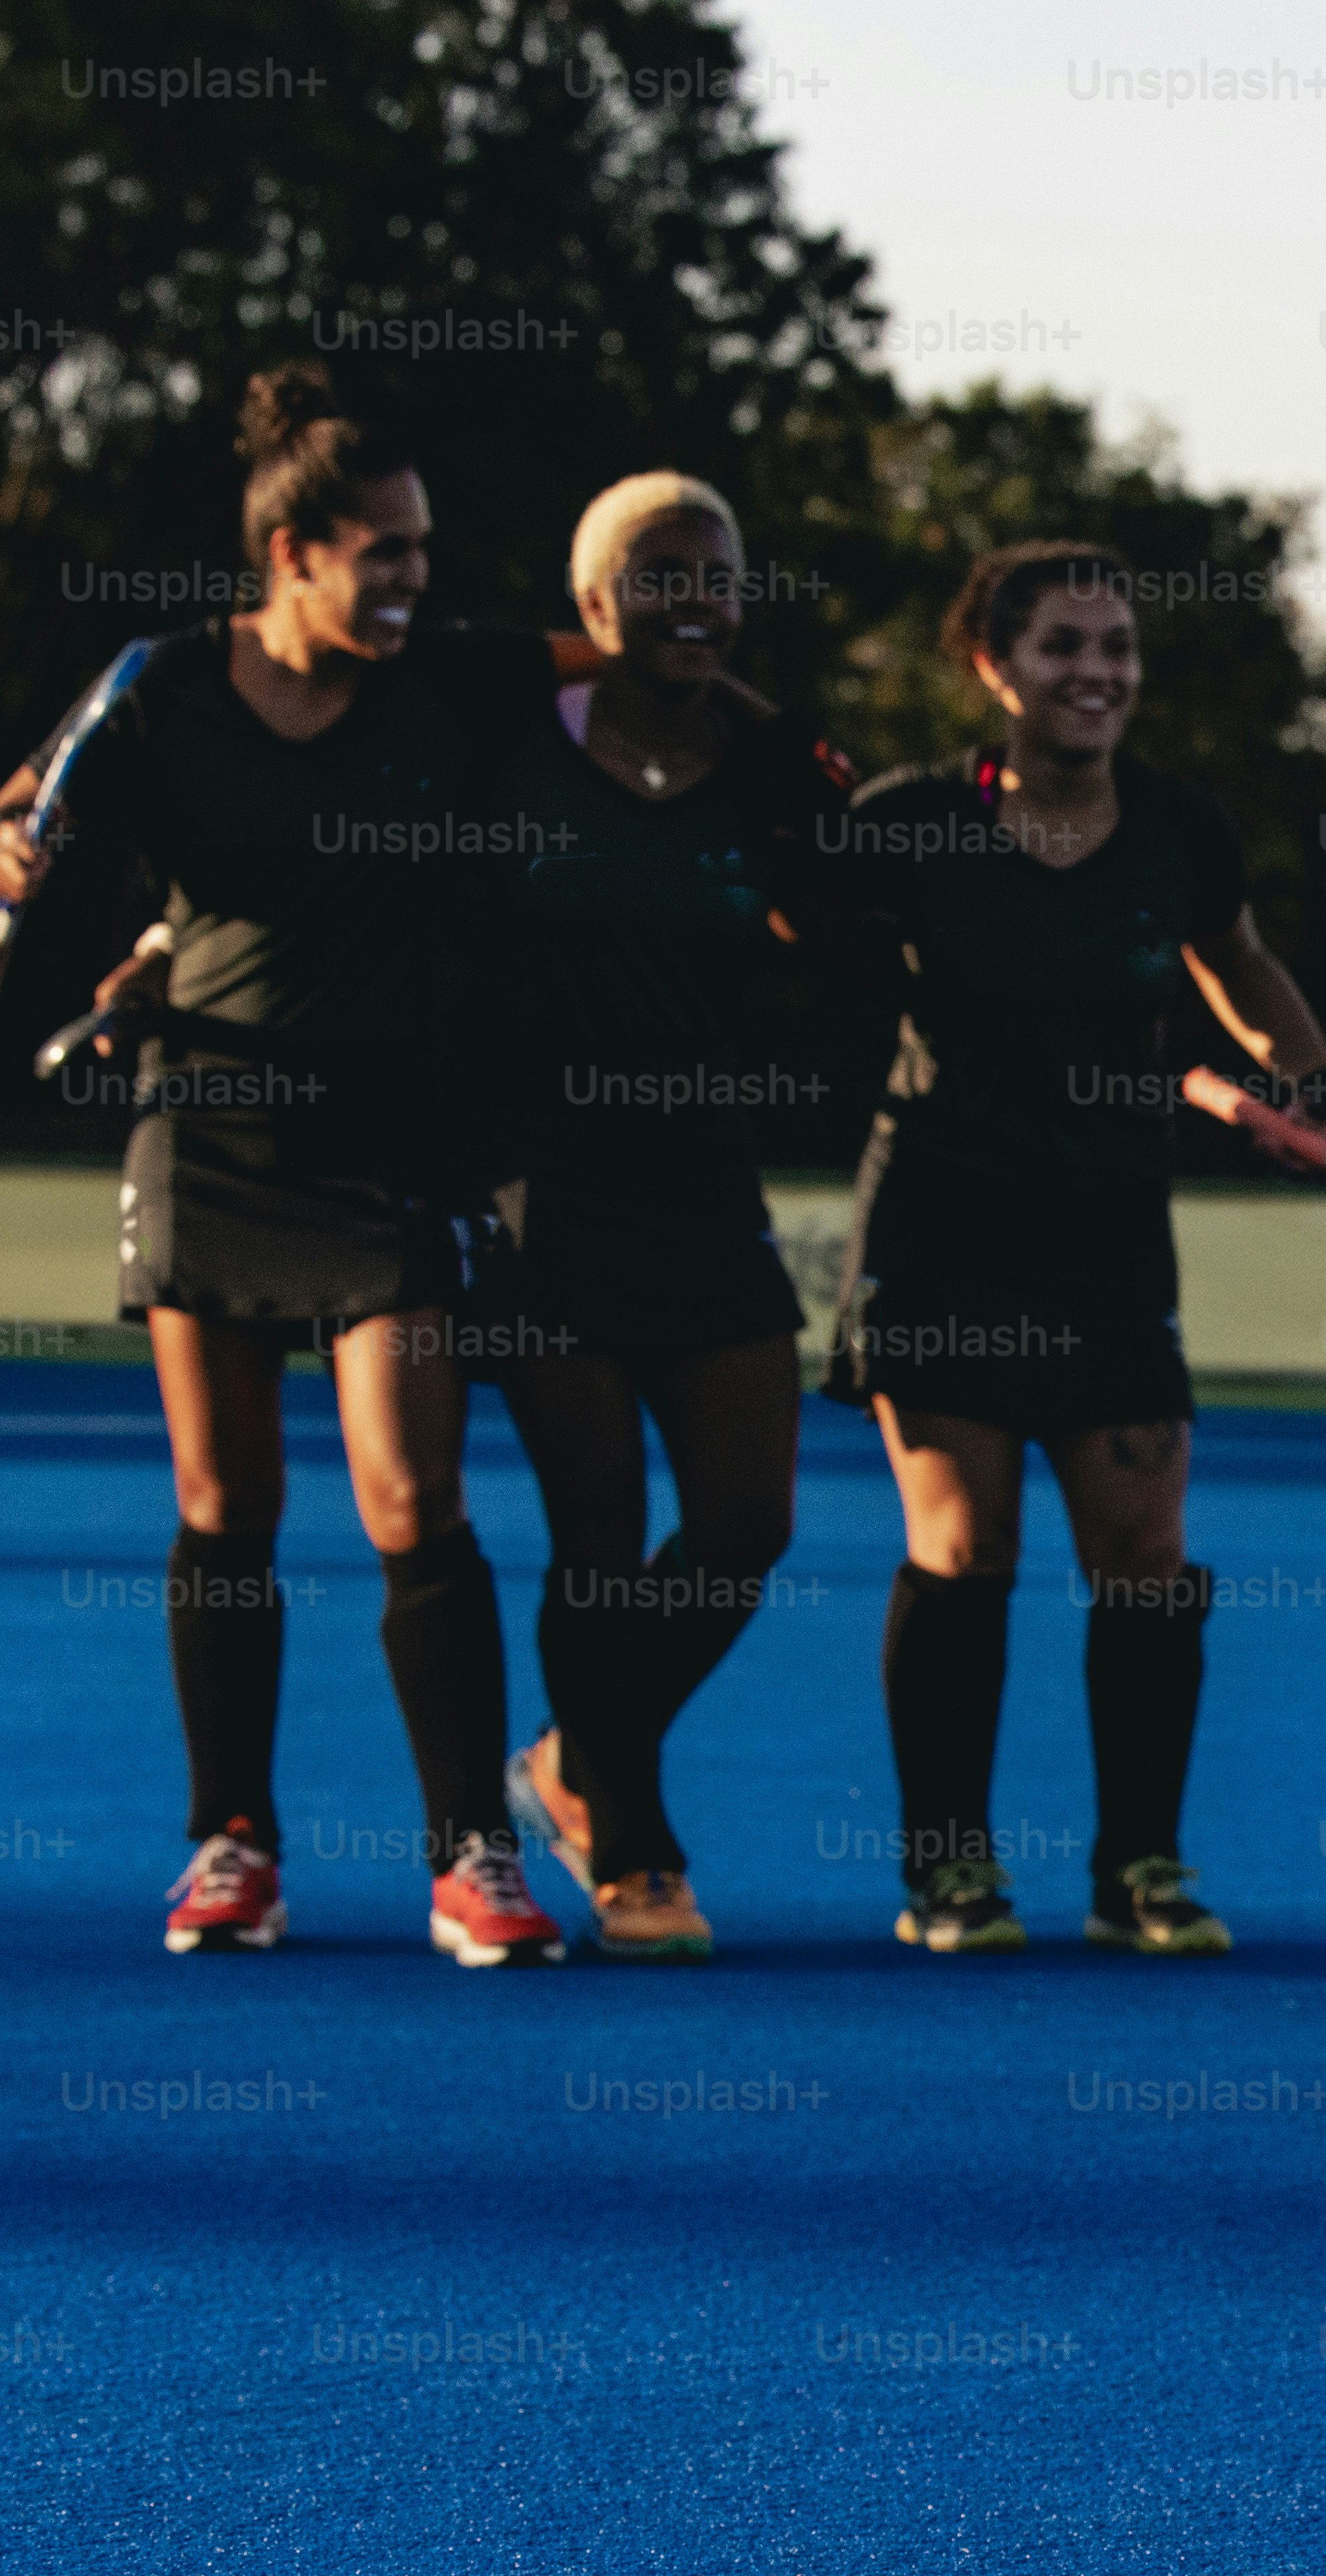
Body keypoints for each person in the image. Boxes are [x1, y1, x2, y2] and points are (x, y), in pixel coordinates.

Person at [0, 368, 573, 1964]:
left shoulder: (457, 682)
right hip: (207, 1128)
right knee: (225, 1500)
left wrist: (759, 715)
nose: (414, 579)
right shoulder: (159, 687)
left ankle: (471, 1855)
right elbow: (13, 818)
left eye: (424, 550)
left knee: (410, 1492)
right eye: (384, 551)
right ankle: (232, 1843)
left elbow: (644, 659)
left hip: (391, 1148)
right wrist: (10, 854)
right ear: (292, 551)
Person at [817, 541, 1326, 1958]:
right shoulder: (908, 819)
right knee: (964, 1546)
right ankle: (950, 1872)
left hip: (1107, 1233)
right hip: (942, 1219)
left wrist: (1301, 1084)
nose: (1096, 672)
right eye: (1063, 645)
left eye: (1117, 645)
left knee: (1147, 1556)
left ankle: (1140, 1870)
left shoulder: (1177, 828)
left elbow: (1239, 967)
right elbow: (786, 942)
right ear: (994, 665)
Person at [460, 470, 858, 1962]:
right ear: (590, 603)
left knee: (748, 1519)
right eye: (661, 574)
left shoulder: (771, 776)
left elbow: (866, 924)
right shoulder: (505, 744)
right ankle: (633, 1846)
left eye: (720, 576)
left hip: (702, 1184)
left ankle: (570, 1755)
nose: (696, 597)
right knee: (599, 1540)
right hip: (535, 1184)